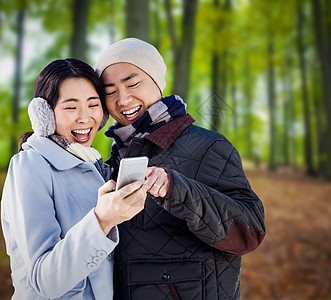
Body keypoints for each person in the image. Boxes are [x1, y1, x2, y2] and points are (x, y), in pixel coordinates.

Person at [95, 38, 266, 300]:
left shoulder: (208, 147)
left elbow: (249, 232)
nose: (123, 99)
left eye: (132, 84)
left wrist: (177, 190)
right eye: (110, 91)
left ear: (157, 81)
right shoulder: (115, 159)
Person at [1, 58, 157, 299]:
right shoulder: (30, 167)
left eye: (93, 105)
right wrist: (102, 221)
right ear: (45, 115)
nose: (85, 118)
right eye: (71, 107)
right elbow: (45, 279)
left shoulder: (96, 167)